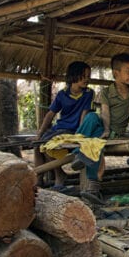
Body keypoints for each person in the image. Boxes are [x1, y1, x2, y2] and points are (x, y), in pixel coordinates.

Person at [77, 53, 129, 204]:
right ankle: (79, 155)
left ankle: (92, 186)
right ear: (116, 73)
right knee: (92, 118)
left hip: (118, 132)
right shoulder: (106, 92)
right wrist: (105, 130)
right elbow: (104, 112)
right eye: (128, 71)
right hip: (104, 126)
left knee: (95, 142)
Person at [35, 61, 95, 189]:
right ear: (74, 76)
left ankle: (59, 176)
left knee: (47, 146)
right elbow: (50, 114)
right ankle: (38, 180)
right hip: (60, 128)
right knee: (38, 145)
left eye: (88, 76)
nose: (87, 79)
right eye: (84, 76)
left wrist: (79, 135)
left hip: (73, 130)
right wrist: (39, 134)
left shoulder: (88, 93)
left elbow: (84, 115)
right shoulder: (62, 94)